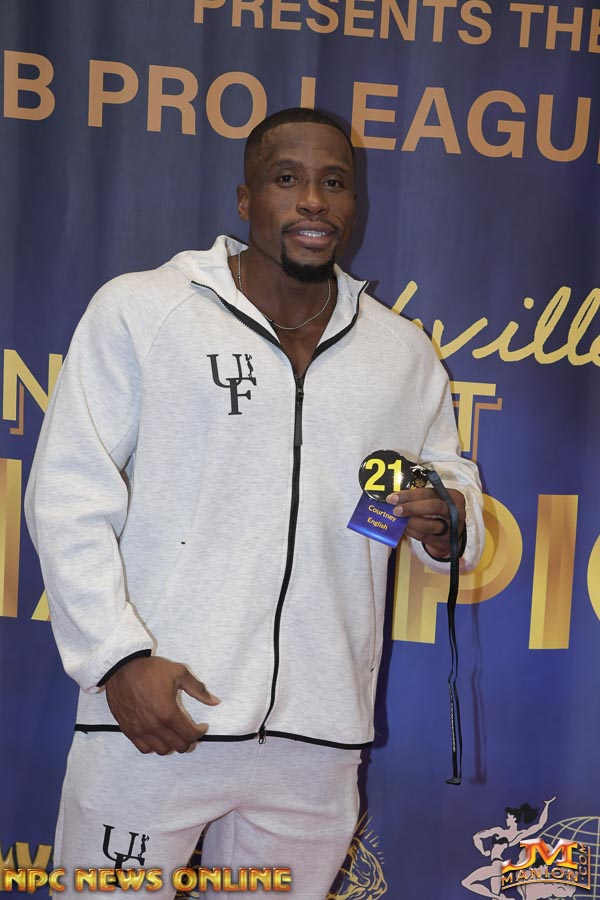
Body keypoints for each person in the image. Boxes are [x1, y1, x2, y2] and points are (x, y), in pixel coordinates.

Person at [25, 107, 484, 898]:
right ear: (245, 200)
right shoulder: (144, 310)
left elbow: (449, 478)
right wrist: (117, 659)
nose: (313, 201)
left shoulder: (400, 352)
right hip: (161, 714)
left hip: (316, 739)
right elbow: (68, 492)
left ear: (354, 203)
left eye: (334, 182)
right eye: (287, 178)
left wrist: (447, 519)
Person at [462, 797, 557, 898]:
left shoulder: (516, 834)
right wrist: (482, 851)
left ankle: (502, 898)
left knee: (466, 882)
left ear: (514, 819)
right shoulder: (499, 830)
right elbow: (476, 837)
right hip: (497, 866)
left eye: (508, 817)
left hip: (497, 865)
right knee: (494, 897)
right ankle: (500, 898)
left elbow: (540, 825)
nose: (506, 820)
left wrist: (547, 805)